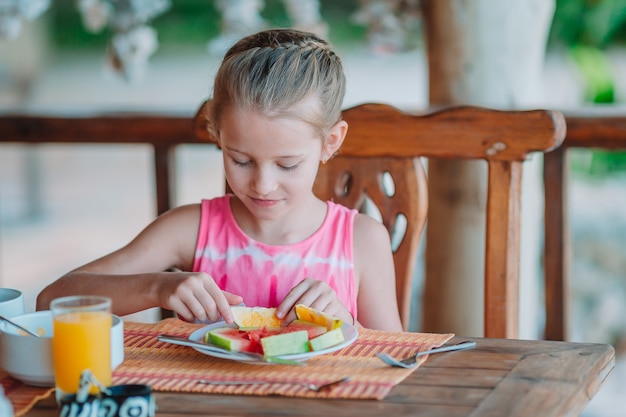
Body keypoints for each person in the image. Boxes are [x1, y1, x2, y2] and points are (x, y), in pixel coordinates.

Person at [36, 28, 403, 332]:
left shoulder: (362, 241)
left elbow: (398, 355)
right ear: (217, 135)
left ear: (330, 143)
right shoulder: (191, 229)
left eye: (287, 165)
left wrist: (347, 325)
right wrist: (156, 286)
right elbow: (52, 298)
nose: (262, 184)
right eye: (240, 160)